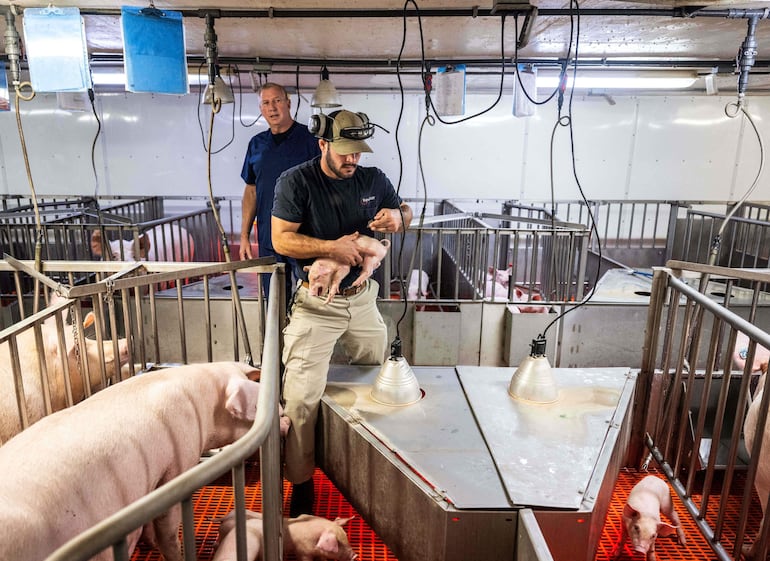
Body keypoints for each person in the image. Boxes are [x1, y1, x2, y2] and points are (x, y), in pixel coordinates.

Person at [271, 109, 413, 517]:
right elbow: (282, 240)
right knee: (299, 399)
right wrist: (333, 248)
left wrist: (399, 218)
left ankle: (373, 471)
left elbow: (406, 212)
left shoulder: (373, 180)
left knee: (378, 379)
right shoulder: (296, 182)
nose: (352, 161)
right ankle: (301, 482)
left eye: (357, 153)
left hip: (363, 297)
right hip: (316, 306)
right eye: (345, 153)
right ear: (323, 144)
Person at [239, 82, 320, 302]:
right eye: (266, 103)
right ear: (261, 109)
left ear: (288, 103)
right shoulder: (256, 145)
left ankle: (306, 338)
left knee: (312, 297)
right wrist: (245, 236)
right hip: (269, 238)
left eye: (277, 101)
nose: (272, 107)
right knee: (274, 301)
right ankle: (278, 338)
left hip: (305, 236)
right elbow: (251, 192)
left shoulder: (311, 141)